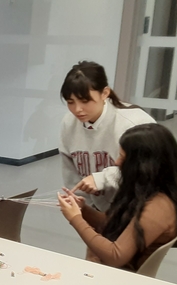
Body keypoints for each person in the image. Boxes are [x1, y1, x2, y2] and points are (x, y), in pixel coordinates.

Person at [58, 124, 177, 271]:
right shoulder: (147, 191)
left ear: (144, 165)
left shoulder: (159, 206)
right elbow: (112, 223)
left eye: (123, 157)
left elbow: (116, 256)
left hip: (119, 279)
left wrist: (75, 219)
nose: (117, 163)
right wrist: (83, 210)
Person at [59, 61, 155, 211]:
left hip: (139, 209)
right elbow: (70, 171)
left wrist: (102, 178)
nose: (77, 109)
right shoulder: (69, 123)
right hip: (99, 209)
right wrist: (82, 206)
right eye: (70, 102)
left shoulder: (134, 123)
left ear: (104, 93)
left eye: (85, 101)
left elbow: (148, 170)